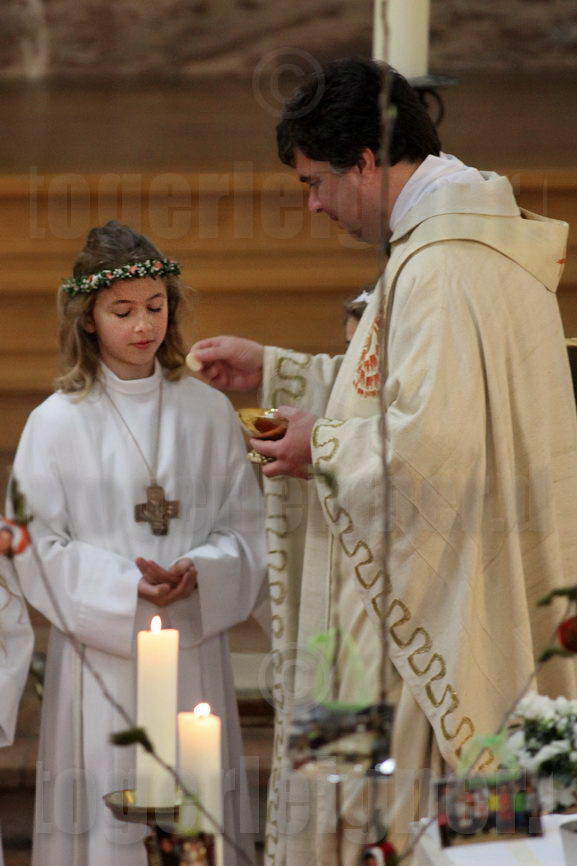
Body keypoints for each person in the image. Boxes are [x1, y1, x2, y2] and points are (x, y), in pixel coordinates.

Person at [189, 58, 577, 863]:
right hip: (419, 594)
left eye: (316, 182)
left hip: (419, 626)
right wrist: (279, 370)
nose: (313, 204)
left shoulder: (443, 263)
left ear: (365, 160)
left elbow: (441, 443)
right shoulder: (461, 241)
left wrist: (321, 445)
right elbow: (409, 395)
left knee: (404, 826)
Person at [9, 221, 266, 866]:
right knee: (104, 828)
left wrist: (201, 569)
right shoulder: (56, 423)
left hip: (192, 651)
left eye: (155, 306)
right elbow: (31, 547)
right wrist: (127, 584)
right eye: (122, 311)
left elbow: (247, 530)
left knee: (197, 814)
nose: (143, 325)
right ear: (88, 319)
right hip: (100, 664)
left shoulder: (208, 412)